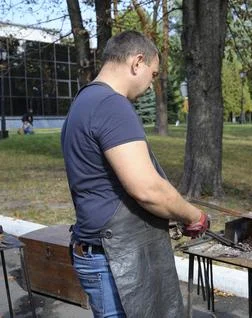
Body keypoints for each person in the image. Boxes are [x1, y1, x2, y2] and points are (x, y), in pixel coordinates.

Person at [61, 30, 209, 318]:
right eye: (153, 75)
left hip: (98, 253)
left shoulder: (83, 100)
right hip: (114, 261)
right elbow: (148, 189)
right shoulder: (111, 104)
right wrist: (194, 216)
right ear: (137, 62)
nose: (151, 85)